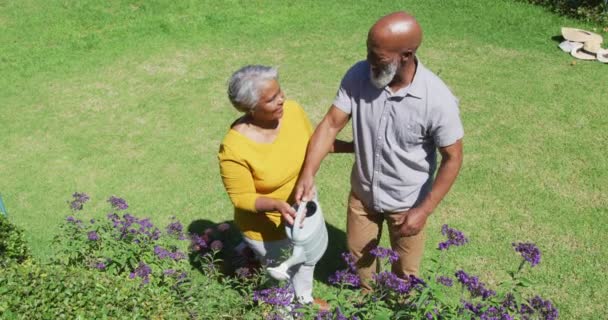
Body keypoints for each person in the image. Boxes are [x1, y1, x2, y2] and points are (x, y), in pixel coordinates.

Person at [295, 12, 464, 291]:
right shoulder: (358, 75)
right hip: (363, 198)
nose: (370, 61)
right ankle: (366, 301)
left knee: (404, 275)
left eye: (379, 57)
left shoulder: (437, 100)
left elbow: (453, 157)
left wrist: (424, 210)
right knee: (360, 262)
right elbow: (330, 125)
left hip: (407, 204)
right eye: (368, 52)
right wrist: (308, 173)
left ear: (406, 55)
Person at [218, 65, 351, 306]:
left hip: (302, 207)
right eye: (272, 99)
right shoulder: (234, 148)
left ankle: (304, 297)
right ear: (250, 108)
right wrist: (277, 205)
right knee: (282, 272)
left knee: (306, 257)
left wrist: (355, 147)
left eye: (280, 92)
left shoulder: (292, 111)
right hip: (267, 227)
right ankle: (287, 307)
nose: (282, 99)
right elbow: (241, 197)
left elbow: (315, 145)